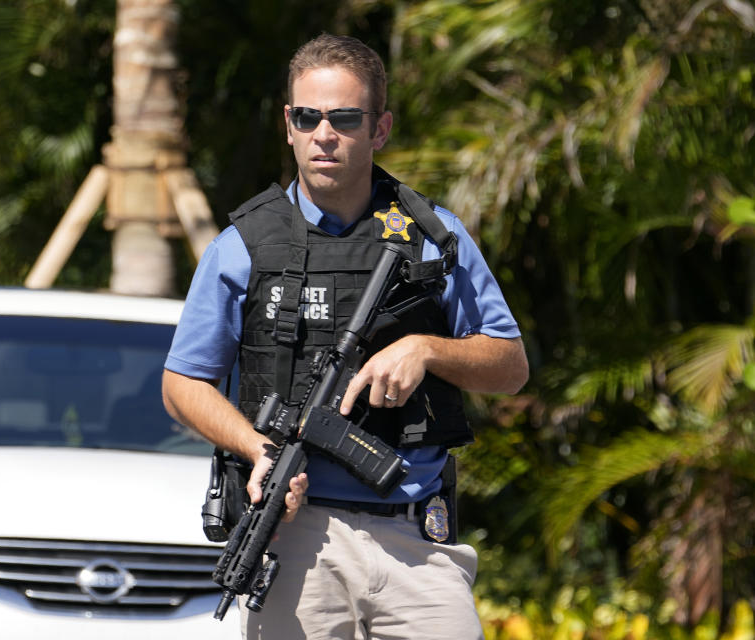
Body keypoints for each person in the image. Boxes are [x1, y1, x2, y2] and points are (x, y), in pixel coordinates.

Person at [162, 33, 528, 640]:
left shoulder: (433, 237)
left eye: (344, 118)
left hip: (417, 540)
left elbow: (510, 365)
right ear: (288, 124)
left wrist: (428, 349)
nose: (323, 135)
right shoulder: (243, 247)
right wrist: (256, 449)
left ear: (379, 128)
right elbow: (183, 381)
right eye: (307, 118)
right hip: (298, 530)